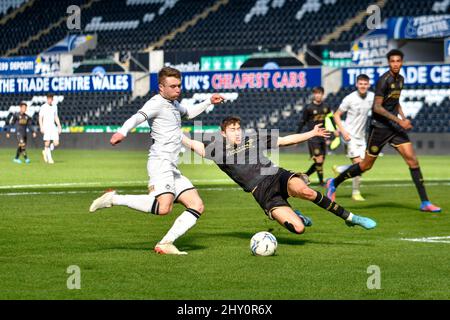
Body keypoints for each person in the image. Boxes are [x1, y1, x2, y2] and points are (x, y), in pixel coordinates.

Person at [89, 67, 225, 255]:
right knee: (163, 208)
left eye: (179, 85)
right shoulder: (156, 103)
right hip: (160, 162)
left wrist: (208, 101)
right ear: (161, 87)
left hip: (172, 166)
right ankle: (114, 199)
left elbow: (190, 113)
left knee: (196, 204)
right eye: (173, 86)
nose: (178, 89)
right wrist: (122, 131)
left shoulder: (174, 104)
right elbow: (138, 117)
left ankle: (165, 243)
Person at [182, 116, 377, 235]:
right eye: (232, 130)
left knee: (305, 191)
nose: (237, 132)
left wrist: (311, 133)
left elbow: (284, 140)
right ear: (223, 133)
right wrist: (178, 135)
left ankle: (350, 217)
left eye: (238, 128)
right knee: (298, 229)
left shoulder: (252, 139)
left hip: (275, 175)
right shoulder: (217, 151)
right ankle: (296, 215)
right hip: (261, 192)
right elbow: (194, 145)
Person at [326, 50, 441, 213]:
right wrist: (399, 120)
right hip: (379, 128)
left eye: (398, 61)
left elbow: (395, 102)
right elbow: (377, 107)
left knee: (413, 161)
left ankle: (425, 202)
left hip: (394, 128)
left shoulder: (400, 79)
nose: (395, 64)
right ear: (388, 62)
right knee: (365, 166)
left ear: (402, 62)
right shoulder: (383, 81)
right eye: (392, 61)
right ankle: (334, 183)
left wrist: (403, 117)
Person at [332, 74, 374, 201]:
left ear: (369, 85)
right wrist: (342, 131)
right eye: (360, 84)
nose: (363, 86)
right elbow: (336, 115)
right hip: (349, 135)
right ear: (357, 84)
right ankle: (355, 193)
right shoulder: (349, 98)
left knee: (365, 166)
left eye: (365, 84)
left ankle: (340, 169)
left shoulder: (372, 97)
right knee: (359, 163)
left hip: (361, 137)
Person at [297, 86, 338, 186]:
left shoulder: (326, 106)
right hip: (312, 136)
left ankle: (304, 176)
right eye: (316, 93)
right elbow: (302, 121)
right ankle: (321, 182)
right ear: (314, 95)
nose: (318, 95)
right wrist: (298, 135)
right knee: (318, 159)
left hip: (322, 136)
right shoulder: (309, 108)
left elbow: (331, 118)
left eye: (320, 93)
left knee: (320, 161)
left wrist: (335, 129)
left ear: (323, 94)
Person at [39, 93, 62, 164]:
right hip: (46, 126)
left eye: (50, 99)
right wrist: (41, 127)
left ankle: (45, 151)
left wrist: (59, 126)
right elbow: (40, 117)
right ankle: (50, 159)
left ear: (52, 99)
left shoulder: (55, 106)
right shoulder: (43, 107)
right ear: (47, 99)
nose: (49, 100)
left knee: (56, 143)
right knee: (47, 143)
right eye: (48, 99)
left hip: (53, 126)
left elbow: (56, 117)